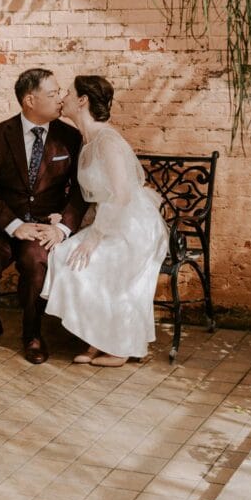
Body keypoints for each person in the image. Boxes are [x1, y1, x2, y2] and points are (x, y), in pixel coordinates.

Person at [0, 68, 86, 364]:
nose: (60, 99)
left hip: (44, 226)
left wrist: (62, 228)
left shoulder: (70, 138)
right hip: (0, 223)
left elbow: (80, 190)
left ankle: (32, 334)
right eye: (52, 93)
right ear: (30, 100)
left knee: (35, 262)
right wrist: (13, 225)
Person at [41, 75, 169, 366]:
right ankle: (96, 338)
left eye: (68, 93)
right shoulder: (87, 141)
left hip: (133, 225)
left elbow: (121, 195)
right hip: (109, 219)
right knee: (63, 255)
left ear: (82, 100)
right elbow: (98, 197)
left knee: (91, 262)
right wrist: (68, 220)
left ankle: (119, 347)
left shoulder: (107, 141)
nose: (62, 98)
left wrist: (93, 239)